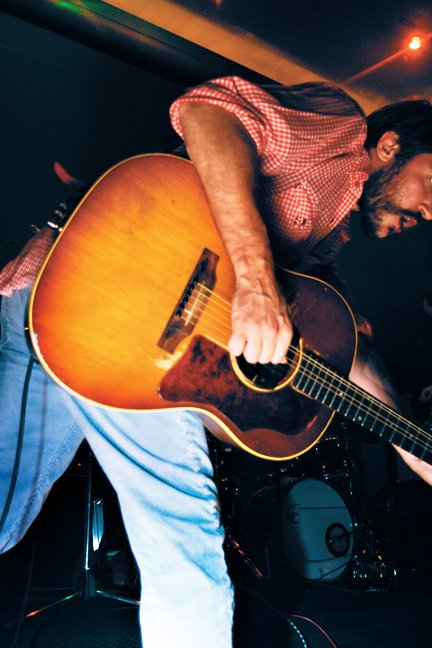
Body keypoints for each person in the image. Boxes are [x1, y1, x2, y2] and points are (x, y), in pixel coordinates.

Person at [0, 75, 431, 648]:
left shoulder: (328, 242)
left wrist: (416, 449)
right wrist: (255, 281)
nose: (430, 210)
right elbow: (209, 111)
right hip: (131, 302)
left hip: (75, 317)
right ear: (392, 145)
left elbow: (350, 356)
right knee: (186, 549)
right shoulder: (340, 128)